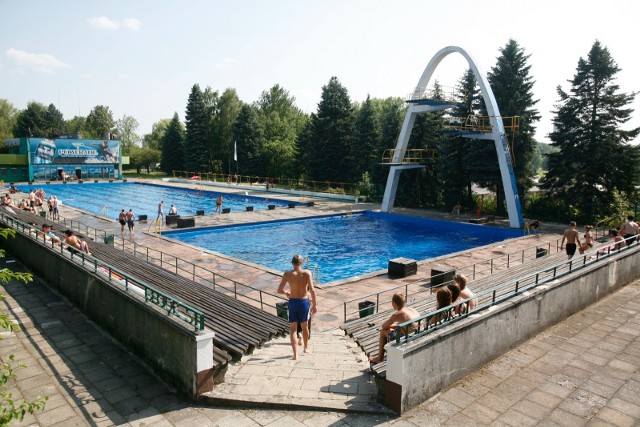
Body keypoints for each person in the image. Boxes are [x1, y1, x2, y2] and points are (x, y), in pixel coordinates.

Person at [277, 255, 318, 360]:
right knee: (305, 327)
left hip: (293, 303)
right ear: (301, 263)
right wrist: (314, 305)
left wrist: (286, 292)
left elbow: (279, 290)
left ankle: (295, 355)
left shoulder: (287, 274)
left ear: (292, 263)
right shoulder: (307, 273)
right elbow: (312, 290)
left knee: (293, 329)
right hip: (304, 302)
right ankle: (305, 348)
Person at [368, 293, 420, 364]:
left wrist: (391, 327)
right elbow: (409, 325)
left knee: (383, 332)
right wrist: (396, 326)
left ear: (394, 303)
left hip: (409, 340)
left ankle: (379, 358)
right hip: (418, 336)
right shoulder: (412, 309)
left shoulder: (397, 314)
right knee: (394, 329)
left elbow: (383, 326)